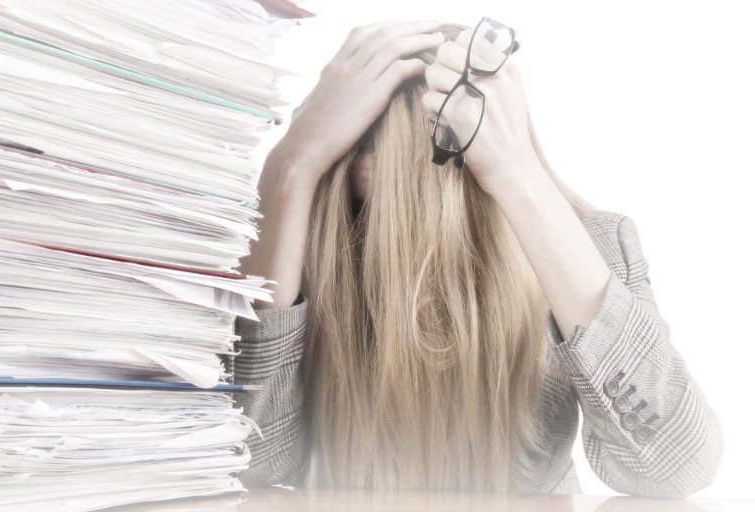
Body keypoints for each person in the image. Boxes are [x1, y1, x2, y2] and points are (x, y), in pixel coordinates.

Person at [234, 18, 723, 497]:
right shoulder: (309, 244)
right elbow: (252, 461)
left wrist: (520, 176)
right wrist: (290, 165)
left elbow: (676, 467)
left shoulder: (590, 246)